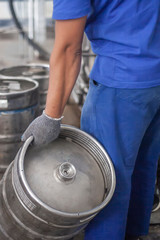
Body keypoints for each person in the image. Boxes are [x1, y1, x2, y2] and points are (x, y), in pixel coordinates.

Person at [22, 1, 160, 240]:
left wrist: (51, 116)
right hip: (154, 79)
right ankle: (134, 234)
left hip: (121, 83)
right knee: (142, 165)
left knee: (105, 180)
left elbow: (68, 50)